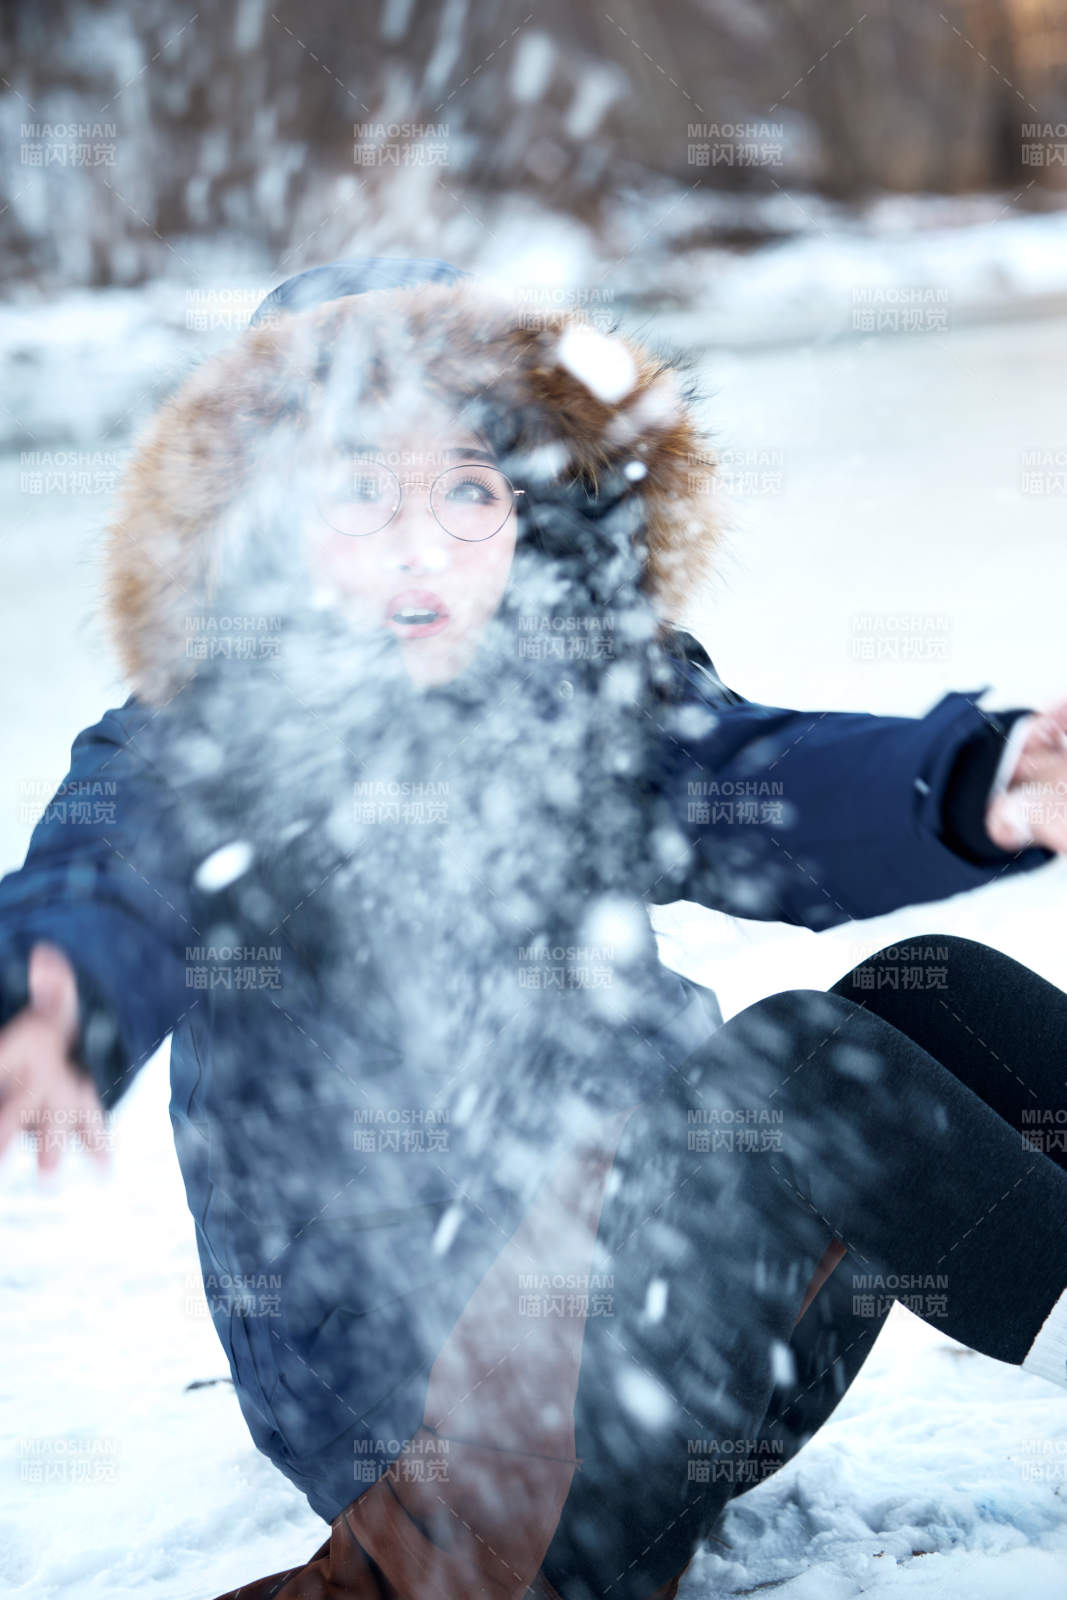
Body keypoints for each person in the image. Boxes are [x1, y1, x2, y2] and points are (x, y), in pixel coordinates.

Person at [0, 256, 1065, 1600]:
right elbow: (113, 878)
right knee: (800, 1068)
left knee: (932, 990)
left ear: (528, 513)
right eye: (358, 494)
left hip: (680, 1342)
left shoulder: (576, 702)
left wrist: (970, 781)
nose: (422, 544)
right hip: (468, 1468)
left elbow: (761, 789)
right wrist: (53, 995)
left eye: (466, 489)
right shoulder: (208, 748)